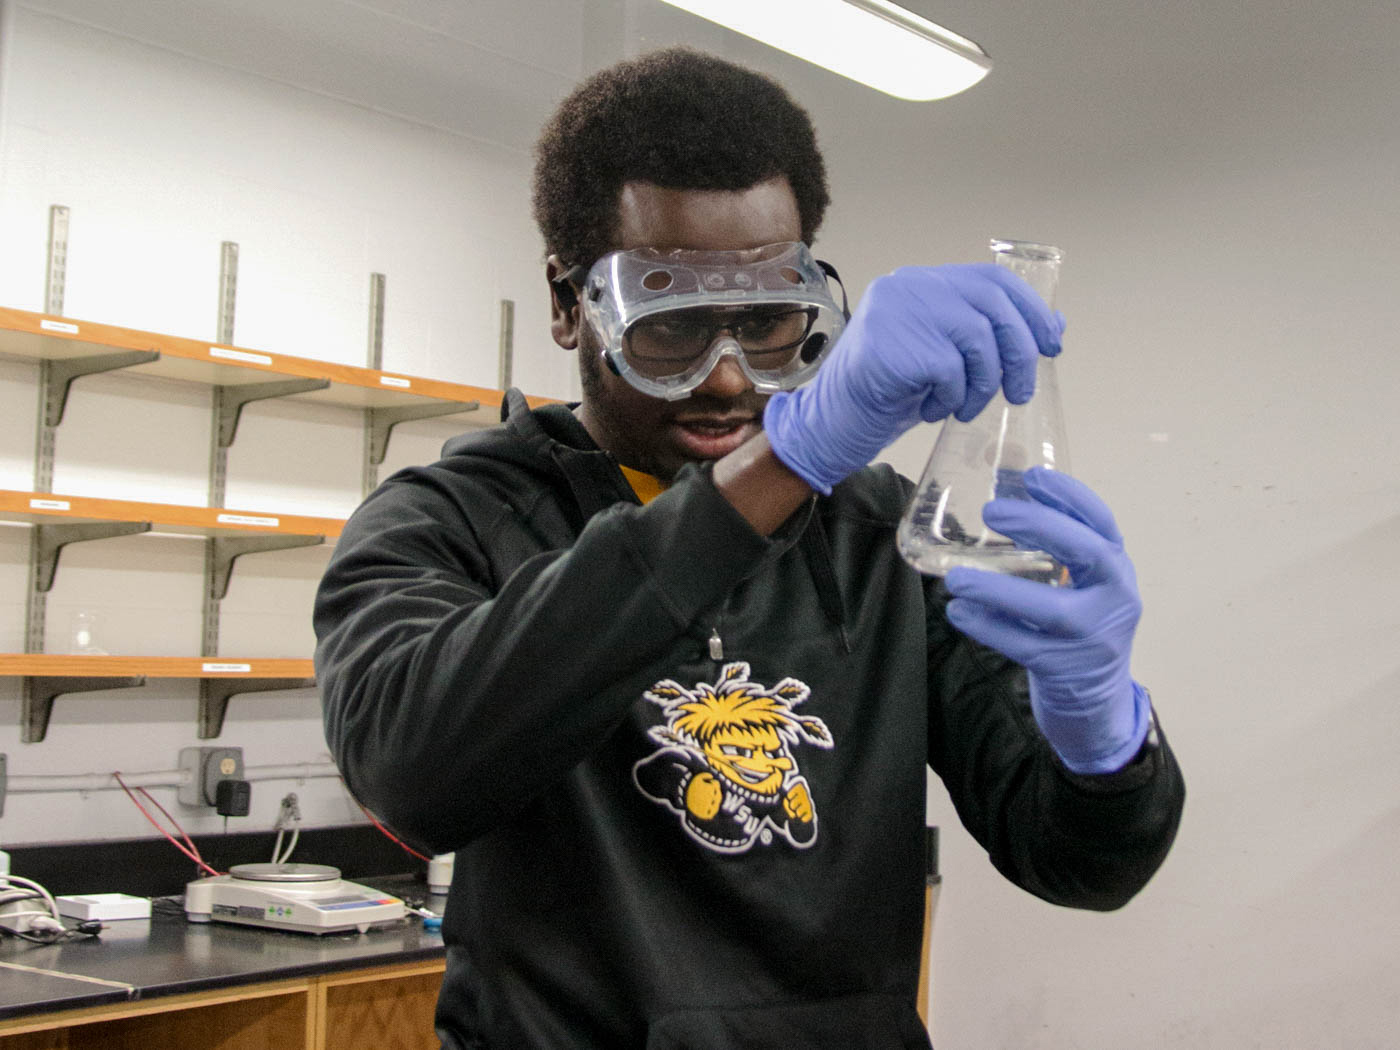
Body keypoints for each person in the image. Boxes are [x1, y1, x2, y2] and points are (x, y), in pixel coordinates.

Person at [315, 47, 1185, 1050]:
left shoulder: (878, 535)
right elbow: (411, 776)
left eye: (769, 323)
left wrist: (1099, 729)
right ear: (569, 304)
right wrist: (793, 456)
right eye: (673, 327)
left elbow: (1082, 866)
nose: (727, 380)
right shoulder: (447, 519)